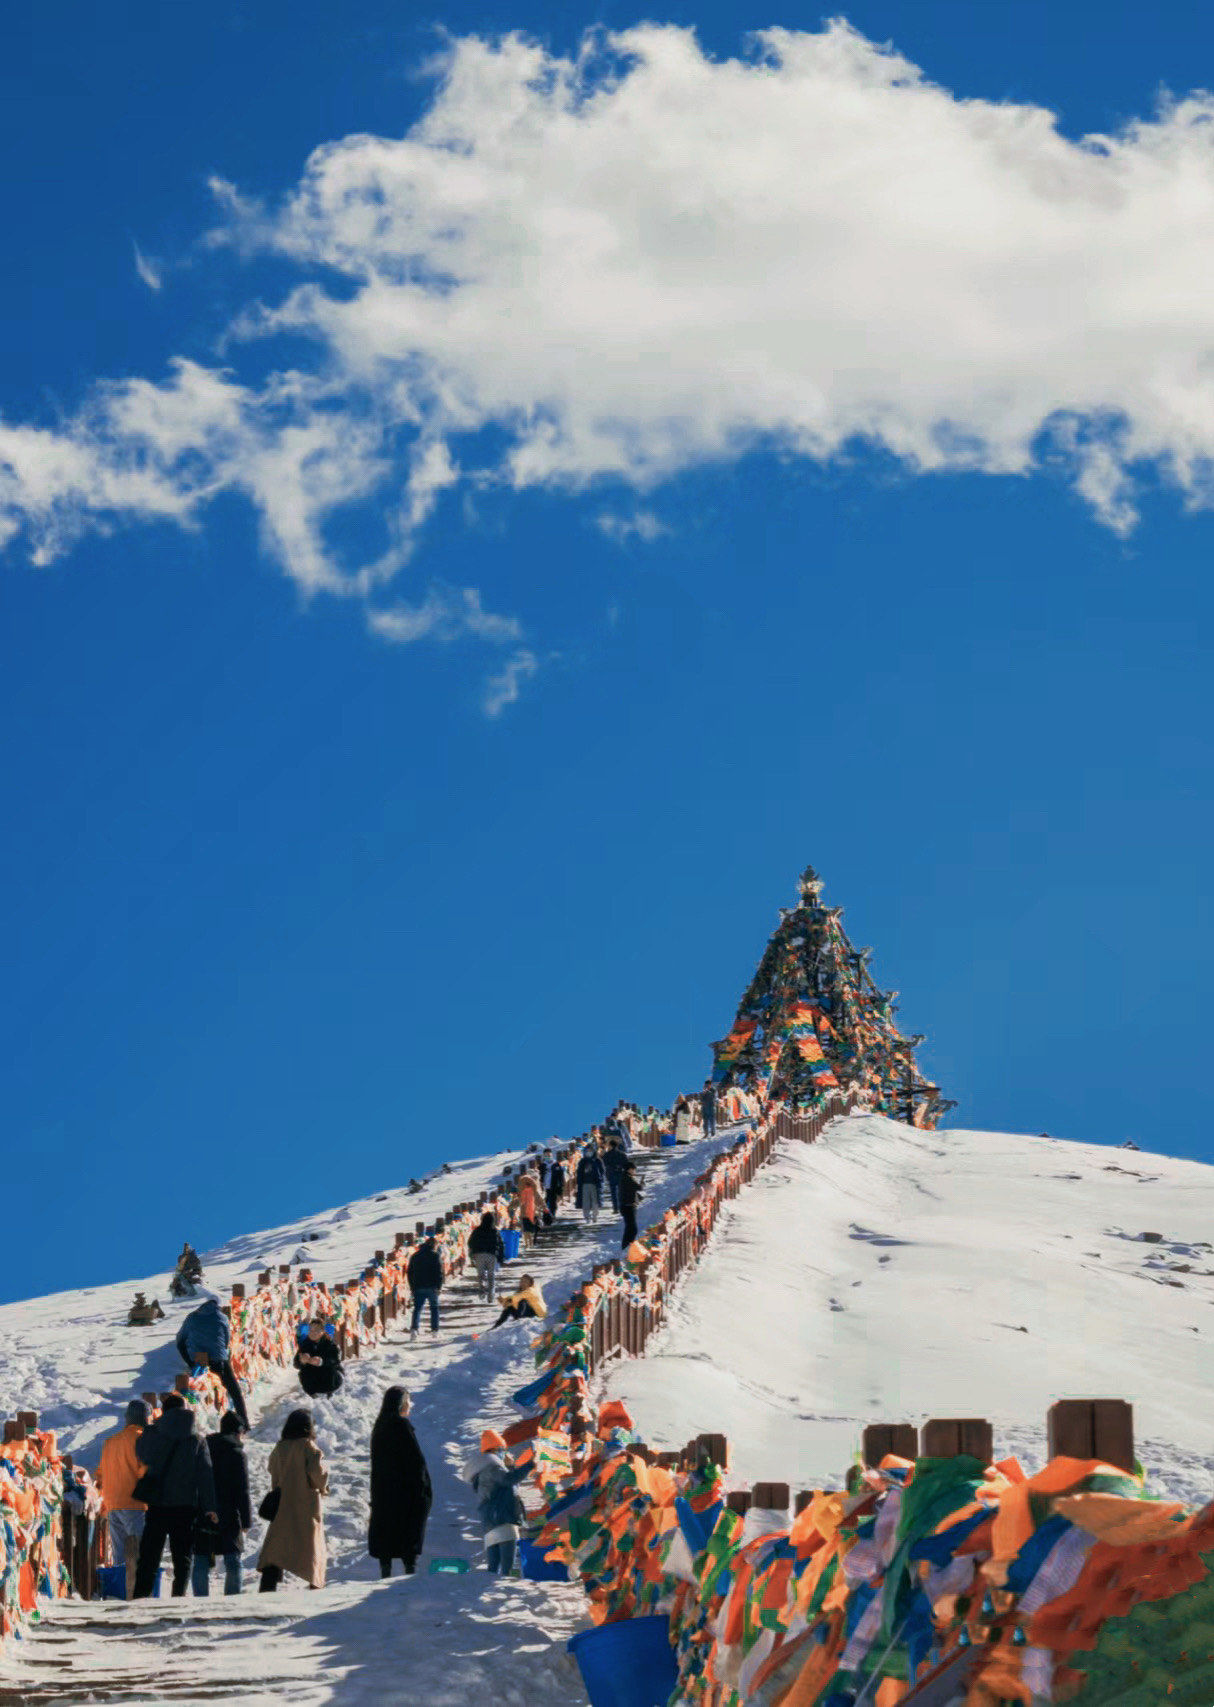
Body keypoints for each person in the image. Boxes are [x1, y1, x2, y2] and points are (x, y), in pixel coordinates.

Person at [132, 1393, 217, 1599]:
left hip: (158, 1504)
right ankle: (178, 1596)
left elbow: (141, 1455)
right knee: (183, 1556)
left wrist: (152, 1428)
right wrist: (209, 1507)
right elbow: (205, 1475)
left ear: (166, 1411)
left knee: (150, 1555)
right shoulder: (197, 1440)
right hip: (186, 1506)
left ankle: (141, 1596)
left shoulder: (153, 1434)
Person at [258, 1410, 329, 1592]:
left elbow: (272, 1470)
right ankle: (315, 1585)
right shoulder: (309, 1447)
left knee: (277, 1548)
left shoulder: (280, 1447)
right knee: (311, 1549)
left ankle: (268, 1586)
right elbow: (317, 1475)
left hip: (282, 1504)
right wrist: (323, 1487)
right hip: (306, 1505)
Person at [368, 1387, 432, 1578]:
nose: (410, 1407)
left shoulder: (379, 1427)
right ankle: (409, 1569)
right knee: (408, 1528)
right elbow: (415, 1460)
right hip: (405, 1491)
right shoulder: (401, 1425)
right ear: (402, 1405)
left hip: (383, 1491)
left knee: (386, 1528)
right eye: (408, 1403)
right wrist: (424, 1488)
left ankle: (385, 1570)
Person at [192, 1410, 252, 1597]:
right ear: (238, 1432)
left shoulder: (203, 1447)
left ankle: (199, 1600)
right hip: (228, 1512)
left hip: (204, 1510)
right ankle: (232, 1599)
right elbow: (242, 1490)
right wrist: (246, 1520)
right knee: (232, 1559)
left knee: (201, 1558)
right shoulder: (236, 1453)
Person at [97, 1399, 150, 1599]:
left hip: (112, 1502)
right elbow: (145, 1470)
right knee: (139, 1550)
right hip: (135, 1503)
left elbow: (100, 1473)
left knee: (119, 1553)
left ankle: (120, 1593)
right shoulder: (142, 1439)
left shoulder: (110, 1442)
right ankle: (139, 1594)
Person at [461, 1430, 529, 1575]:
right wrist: (530, 1465)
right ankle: (501, 1592)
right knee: (507, 1566)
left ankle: (488, 1592)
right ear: (496, 1450)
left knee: (493, 1566)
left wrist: (509, 1467)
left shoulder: (483, 1471)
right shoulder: (493, 1468)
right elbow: (509, 1480)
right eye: (502, 1451)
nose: (504, 1454)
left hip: (490, 1520)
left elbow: (508, 1486)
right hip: (503, 1518)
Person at [175, 1296, 249, 1427]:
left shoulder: (191, 1318)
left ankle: (206, 1424)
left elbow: (180, 1340)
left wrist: (189, 1361)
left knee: (200, 1391)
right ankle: (244, 1421)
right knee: (234, 1390)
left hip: (198, 1362)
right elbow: (227, 1340)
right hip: (219, 1360)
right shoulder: (222, 1318)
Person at [294, 1320, 344, 1398]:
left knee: (329, 1369)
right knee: (304, 1371)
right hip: (313, 1383)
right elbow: (296, 1364)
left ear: (323, 1331)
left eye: (316, 1330)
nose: (313, 1332)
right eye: (310, 1330)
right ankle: (312, 1394)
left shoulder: (330, 1344)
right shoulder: (305, 1345)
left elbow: (336, 1360)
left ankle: (329, 1394)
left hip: (332, 1381)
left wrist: (321, 1362)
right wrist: (301, 1360)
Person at [407, 1236, 443, 1337]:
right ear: (434, 1245)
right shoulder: (435, 1255)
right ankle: (435, 1330)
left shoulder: (415, 1255)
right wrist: (439, 1286)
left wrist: (412, 1286)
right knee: (434, 1308)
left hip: (418, 1286)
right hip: (432, 1286)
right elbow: (439, 1272)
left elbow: (410, 1272)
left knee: (417, 1308)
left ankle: (414, 1329)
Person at [468, 1212, 505, 1302]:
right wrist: (500, 1257)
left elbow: (470, 1242)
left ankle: (482, 1290)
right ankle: (491, 1295)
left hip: (479, 1254)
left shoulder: (477, 1230)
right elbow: (500, 1244)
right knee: (491, 1275)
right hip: (492, 1255)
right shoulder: (495, 1231)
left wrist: (473, 1252)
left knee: (481, 1275)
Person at [576, 1147, 605, 1224]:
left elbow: (602, 1171)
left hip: (595, 1184)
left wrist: (600, 1180)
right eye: (587, 1151)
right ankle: (587, 1217)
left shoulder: (598, 1161)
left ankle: (595, 1216)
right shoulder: (582, 1161)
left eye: (590, 1151)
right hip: (584, 1184)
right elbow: (579, 1172)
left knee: (595, 1201)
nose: (588, 1152)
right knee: (586, 1202)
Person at [619, 1161, 644, 1249]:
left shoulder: (625, 1177)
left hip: (626, 1205)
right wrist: (641, 1183)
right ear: (630, 1170)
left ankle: (627, 1246)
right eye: (634, 1170)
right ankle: (628, 1246)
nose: (635, 1172)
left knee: (629, 1227)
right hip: (628, 1206)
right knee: (632, 1229)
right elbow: (639, 1187)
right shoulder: (628, 1178)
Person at [515, 1170, 542, 1249]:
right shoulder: (524, 1188)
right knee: (527, 1229)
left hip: (533, 1211)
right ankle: (528, 1244)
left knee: (531, 1228)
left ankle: (530, 1243)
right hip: (527, 1211)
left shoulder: (536, 1188)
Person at [603, 1139, 627, 1213]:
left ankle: (615, 1208)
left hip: (611, 1174)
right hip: (620, 1174)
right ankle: (621, 1207)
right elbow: (626, 1164)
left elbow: (605, 1164)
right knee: (621, 1192)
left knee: (613, 1192)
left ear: (610, 1145)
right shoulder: (622, 1154)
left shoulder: (606, 1155)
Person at [544, 1154, 565, 1221]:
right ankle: (547, 1216)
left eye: (549, 1155)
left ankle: (552, 1215)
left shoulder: (556, 1164)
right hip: (545, 1187)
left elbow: (561, 1175)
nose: (548, 1157)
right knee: (546, 1201)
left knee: (553, 1202)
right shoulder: (543, 1165)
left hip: (554, 1186)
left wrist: (561, 1186)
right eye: (546, 1155)